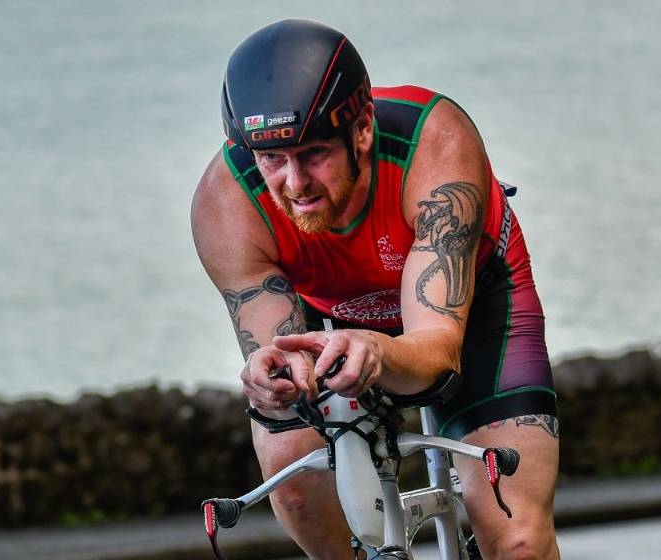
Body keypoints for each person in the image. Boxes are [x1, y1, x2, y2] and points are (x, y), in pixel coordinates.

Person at [190, 19, 561, 559]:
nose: (295, 185)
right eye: (273, 159)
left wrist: (379, 350)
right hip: (328, 317)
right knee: (293, 483)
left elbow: (437, 346)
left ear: (361, 129)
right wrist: (271, 377)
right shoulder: (227, 202)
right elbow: (272, 345)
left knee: (519, 538)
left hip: (470, 300)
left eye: (314, 152)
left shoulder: (432, 144)